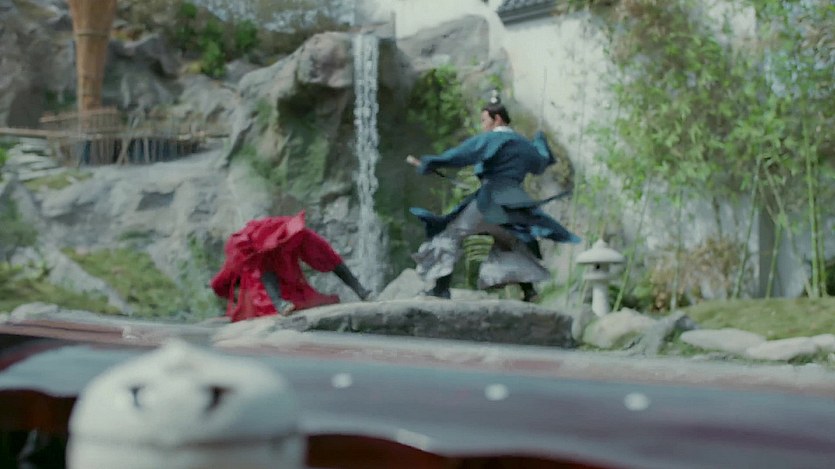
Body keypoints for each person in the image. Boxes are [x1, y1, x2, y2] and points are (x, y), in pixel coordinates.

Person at [409, 92, 581, 301]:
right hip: (515, 206)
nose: (483, 125)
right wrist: (539, 141)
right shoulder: (525, 145)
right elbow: (541, 162)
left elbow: (462, 155)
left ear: (497, 118)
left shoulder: (493, 138)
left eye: (484, 120)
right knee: (512, 242)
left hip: (490, 201)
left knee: (449, 234)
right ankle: (529, 291)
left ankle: (440, 289)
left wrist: (431, 162)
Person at [210, 210, 370, 322]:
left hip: (272, 286)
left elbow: (328, 257)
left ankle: (280, 304)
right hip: (274, 280)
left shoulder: (243, 252)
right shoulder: (250, 250)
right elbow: (329, 257)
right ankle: (361, 291)